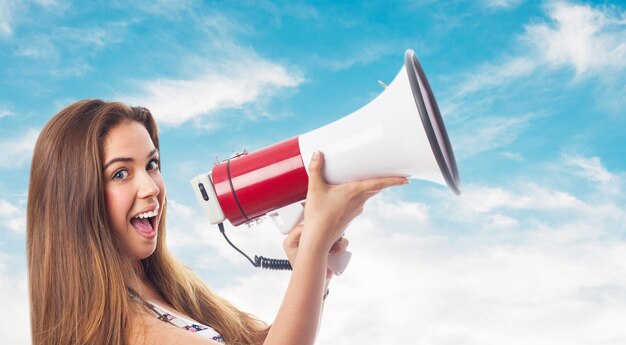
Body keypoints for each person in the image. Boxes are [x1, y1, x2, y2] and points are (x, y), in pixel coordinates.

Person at [27, 99, 408, 344]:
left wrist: (313, 270)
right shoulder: (122, 331)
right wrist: (314, 246)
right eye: (120, 174)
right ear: (74, 200)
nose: (152, 188)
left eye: (152, 164)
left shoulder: (161, 288)